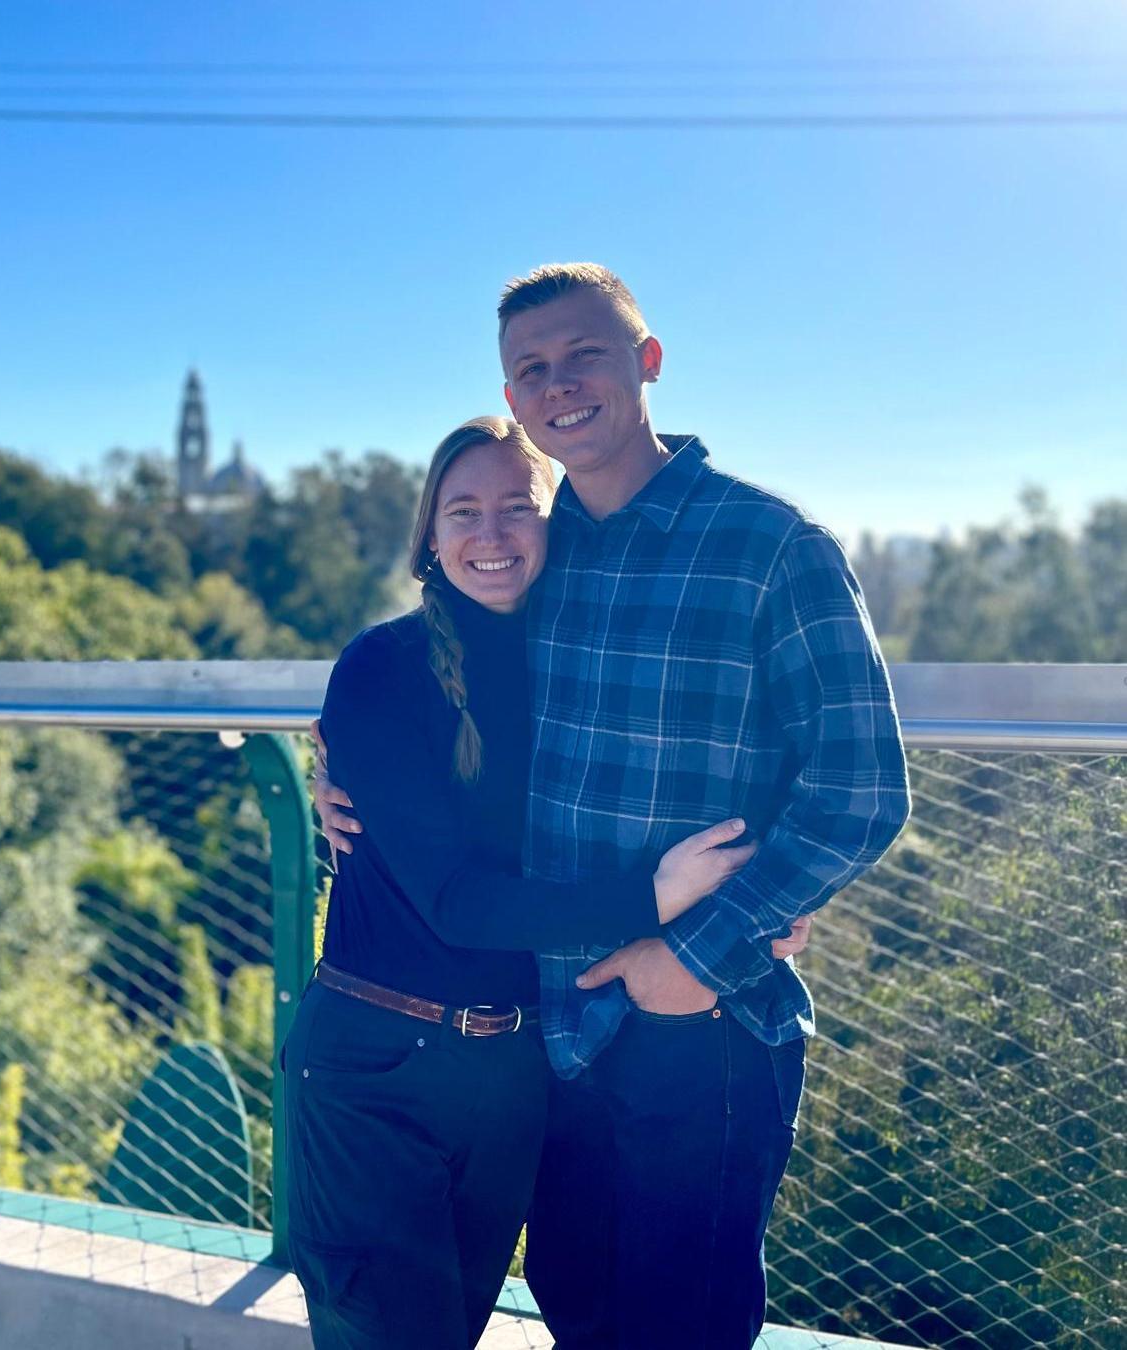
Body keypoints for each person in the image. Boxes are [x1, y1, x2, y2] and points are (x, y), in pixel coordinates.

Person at [319, 264, 911, 1349]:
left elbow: (861, 788)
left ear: (646, 363)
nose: (558, 384)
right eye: (529, 368)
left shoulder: (771, 547)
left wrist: (701, 951)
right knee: (581, 1306)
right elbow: (438, 695)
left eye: (582, 354)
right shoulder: (550, 552)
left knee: (677, 1323)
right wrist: (340, 773)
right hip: (554, 1036)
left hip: (701, 1022)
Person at [286, 414, 811, 1350]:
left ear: (553, 525)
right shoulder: (383, 666)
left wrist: (762, 894)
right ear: (430, 538)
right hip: (377, 1072)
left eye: (515, 509)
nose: (490, 536)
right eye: (463, 511)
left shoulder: (568, 668)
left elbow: (705, 755)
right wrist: (654, 899)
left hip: (514, 1074)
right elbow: (453, 899)